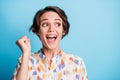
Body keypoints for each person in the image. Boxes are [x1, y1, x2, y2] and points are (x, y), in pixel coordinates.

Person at [12, 6, 88, 80]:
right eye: (45, 24)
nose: (51, 29)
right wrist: (26, 53)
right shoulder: (25, 59)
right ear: (37, 31)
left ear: (63, 30)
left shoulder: (76, 63)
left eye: (57, 24)